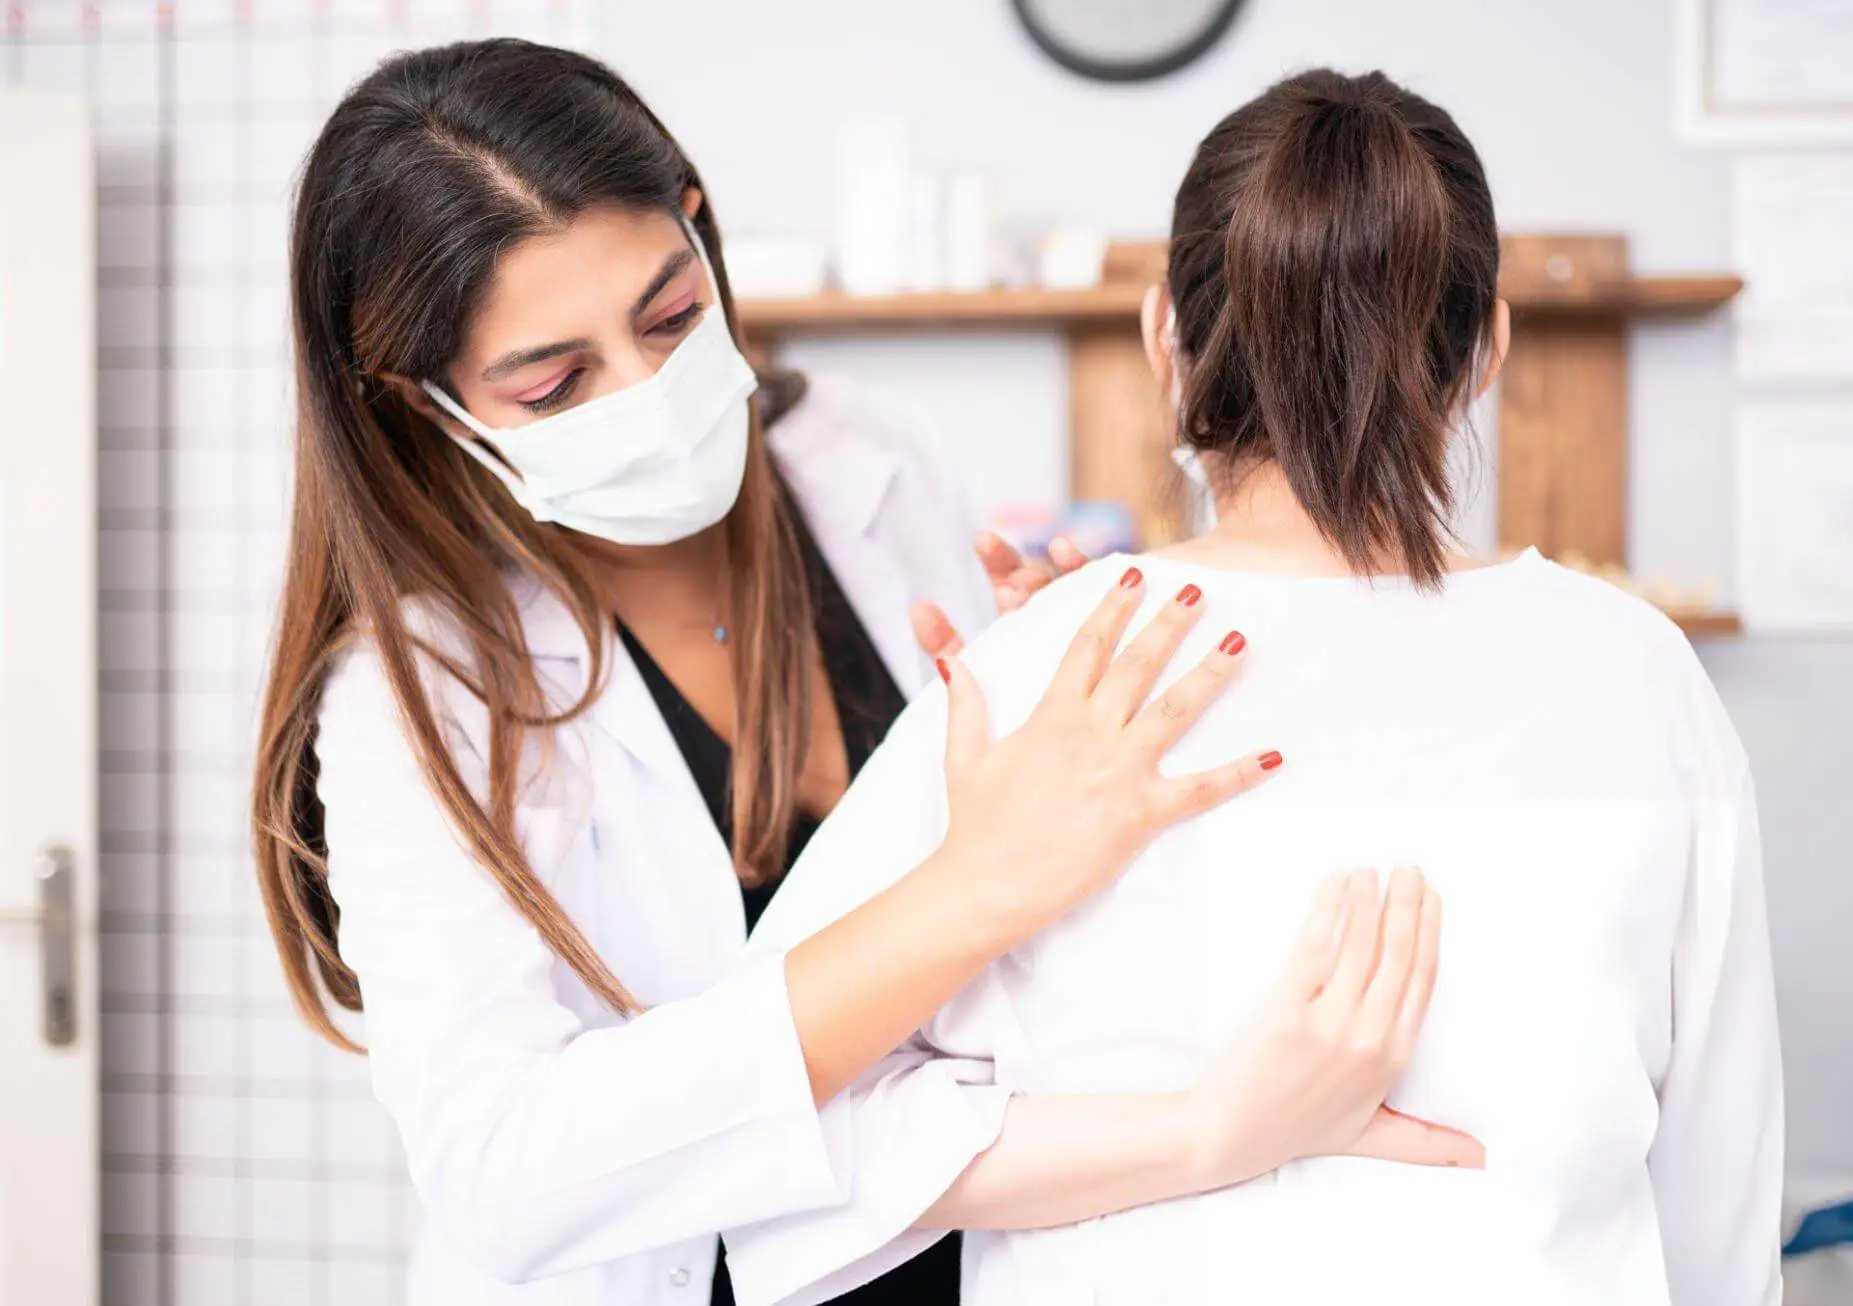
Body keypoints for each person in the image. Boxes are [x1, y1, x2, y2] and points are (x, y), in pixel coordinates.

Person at [249, 41, 1476, 1306]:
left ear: (697, 224)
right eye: (554, 382)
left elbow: (1002, 990)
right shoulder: (416, 695)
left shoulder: (867, 458)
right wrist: (977, 882)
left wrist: (1032, 695)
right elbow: (503, 1175)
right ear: (412, 399)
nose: (650, 391)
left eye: (671, 314)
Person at [728, 68, 1785, 1306]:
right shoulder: (1635, 672)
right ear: (1487, 347)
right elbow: (1717, 1197)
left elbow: (757, 1128)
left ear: (1161, 336)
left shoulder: (1052, 672)